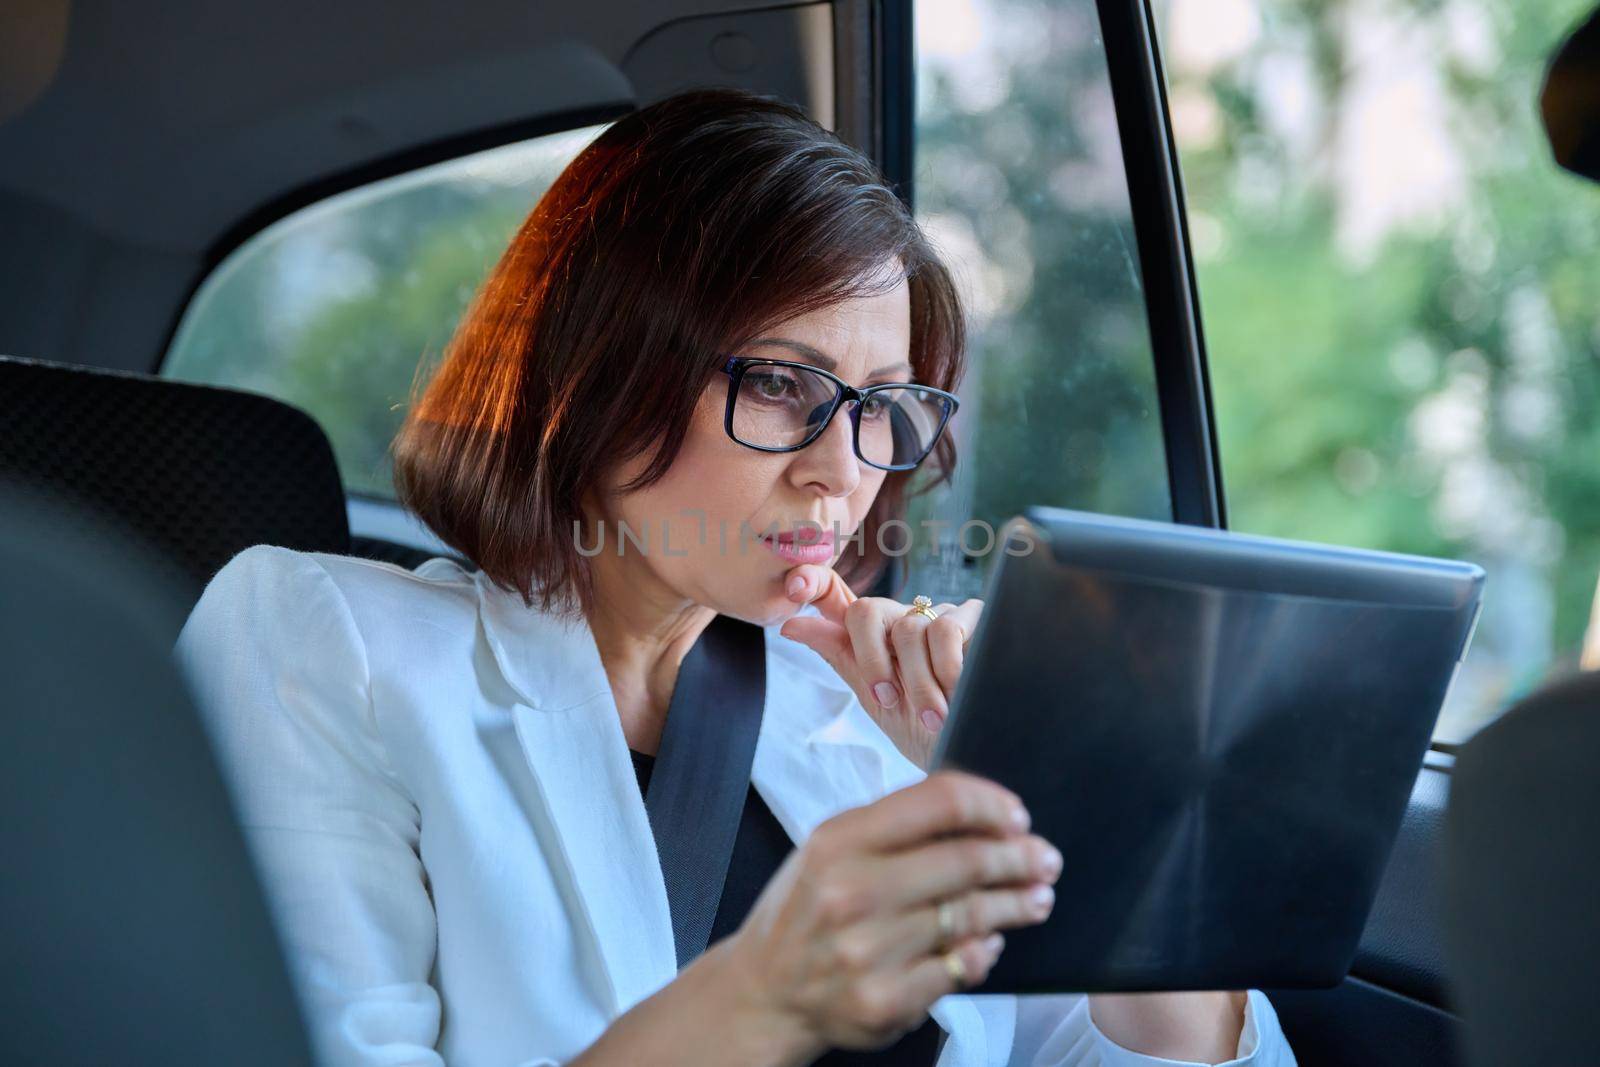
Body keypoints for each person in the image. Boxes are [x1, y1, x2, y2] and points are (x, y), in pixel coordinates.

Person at [172, 87, 1295, 1067]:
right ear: (600, 368)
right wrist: (759, 996)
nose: (837, 470)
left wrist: (1076, 803)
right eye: (777, 383)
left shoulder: (869, 724)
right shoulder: (323, 643)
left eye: (879, 406)